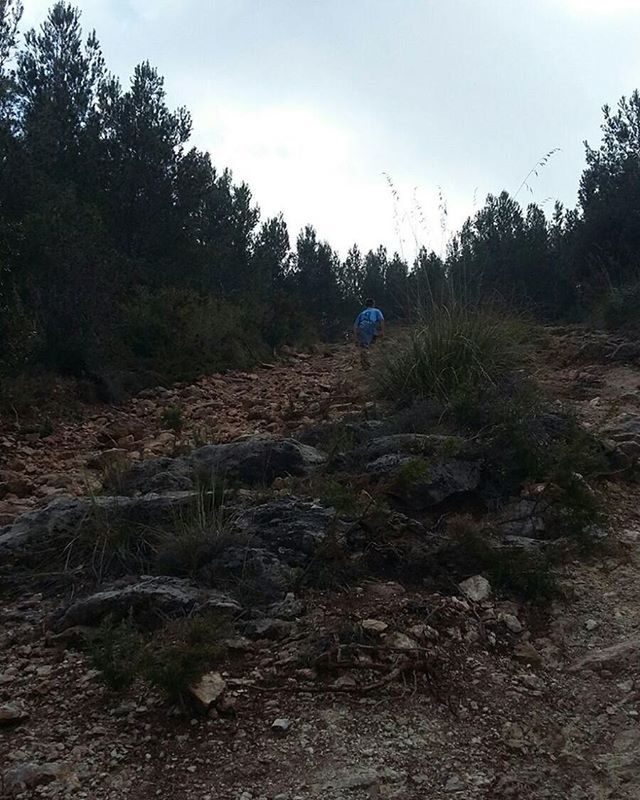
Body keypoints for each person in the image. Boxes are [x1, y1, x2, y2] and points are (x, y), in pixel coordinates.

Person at [353, 298, 385, 369]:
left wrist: (356, 338)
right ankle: (372, 362)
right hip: (372, 326)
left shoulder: (362, 313)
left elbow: (355, 326)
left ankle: (365, 364)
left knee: (363, 346)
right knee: (373, 343)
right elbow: (381, 320)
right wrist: (382, 331)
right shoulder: (377, 310)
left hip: (362, 327)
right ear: (373, 304)